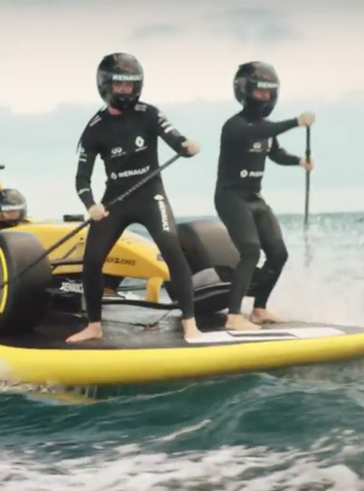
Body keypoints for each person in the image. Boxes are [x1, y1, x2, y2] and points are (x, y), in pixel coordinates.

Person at [66, 52, 202, 343]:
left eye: (130, 85)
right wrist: (91, 205)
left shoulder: (149, 113)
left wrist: (186, 145)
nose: (125, 90)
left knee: (170, 247)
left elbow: (174, 137)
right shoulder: (94, 129)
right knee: (91, 260)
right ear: (106, 86)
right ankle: (94, 325)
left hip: (151, 195)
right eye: (119, 85)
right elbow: (81, 178)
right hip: (115, 201)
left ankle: (190, 322)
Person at [214, 61, 315, 331]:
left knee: (278, 253)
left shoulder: (267, 127)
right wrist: (295, 122)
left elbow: (275, 152)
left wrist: (298, 161)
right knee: (251, 250)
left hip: (254, 198)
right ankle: (234, 316)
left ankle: (259, 310)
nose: (265, 98)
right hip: (230, 197)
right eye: (259, 92)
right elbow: (258, 132)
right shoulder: (235, 126)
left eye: (269, 93)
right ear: (244, 91)